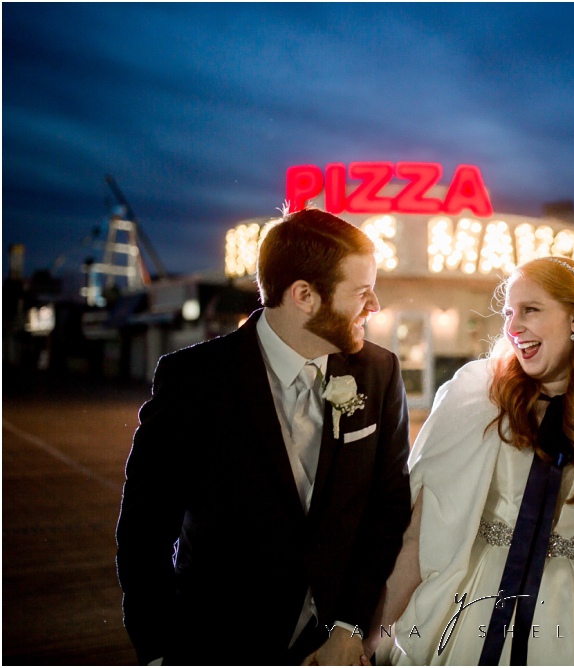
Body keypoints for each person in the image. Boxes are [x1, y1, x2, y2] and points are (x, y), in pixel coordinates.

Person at [116, 208, 412, 666]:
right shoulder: (194, 380)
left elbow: (387, 506)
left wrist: (349, 628)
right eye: (361, 293)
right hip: (217, 644)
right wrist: (160, 653)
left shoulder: (379, 371)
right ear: (304, 296)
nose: (374, 306)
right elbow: (145, 531)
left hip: (334, 647)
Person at [373, 256, 574, 665]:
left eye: (530, 310)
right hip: (478, 603)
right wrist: (366, 635)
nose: (512, 326)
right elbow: (420, 532)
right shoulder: (477, 395)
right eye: (509, 312)